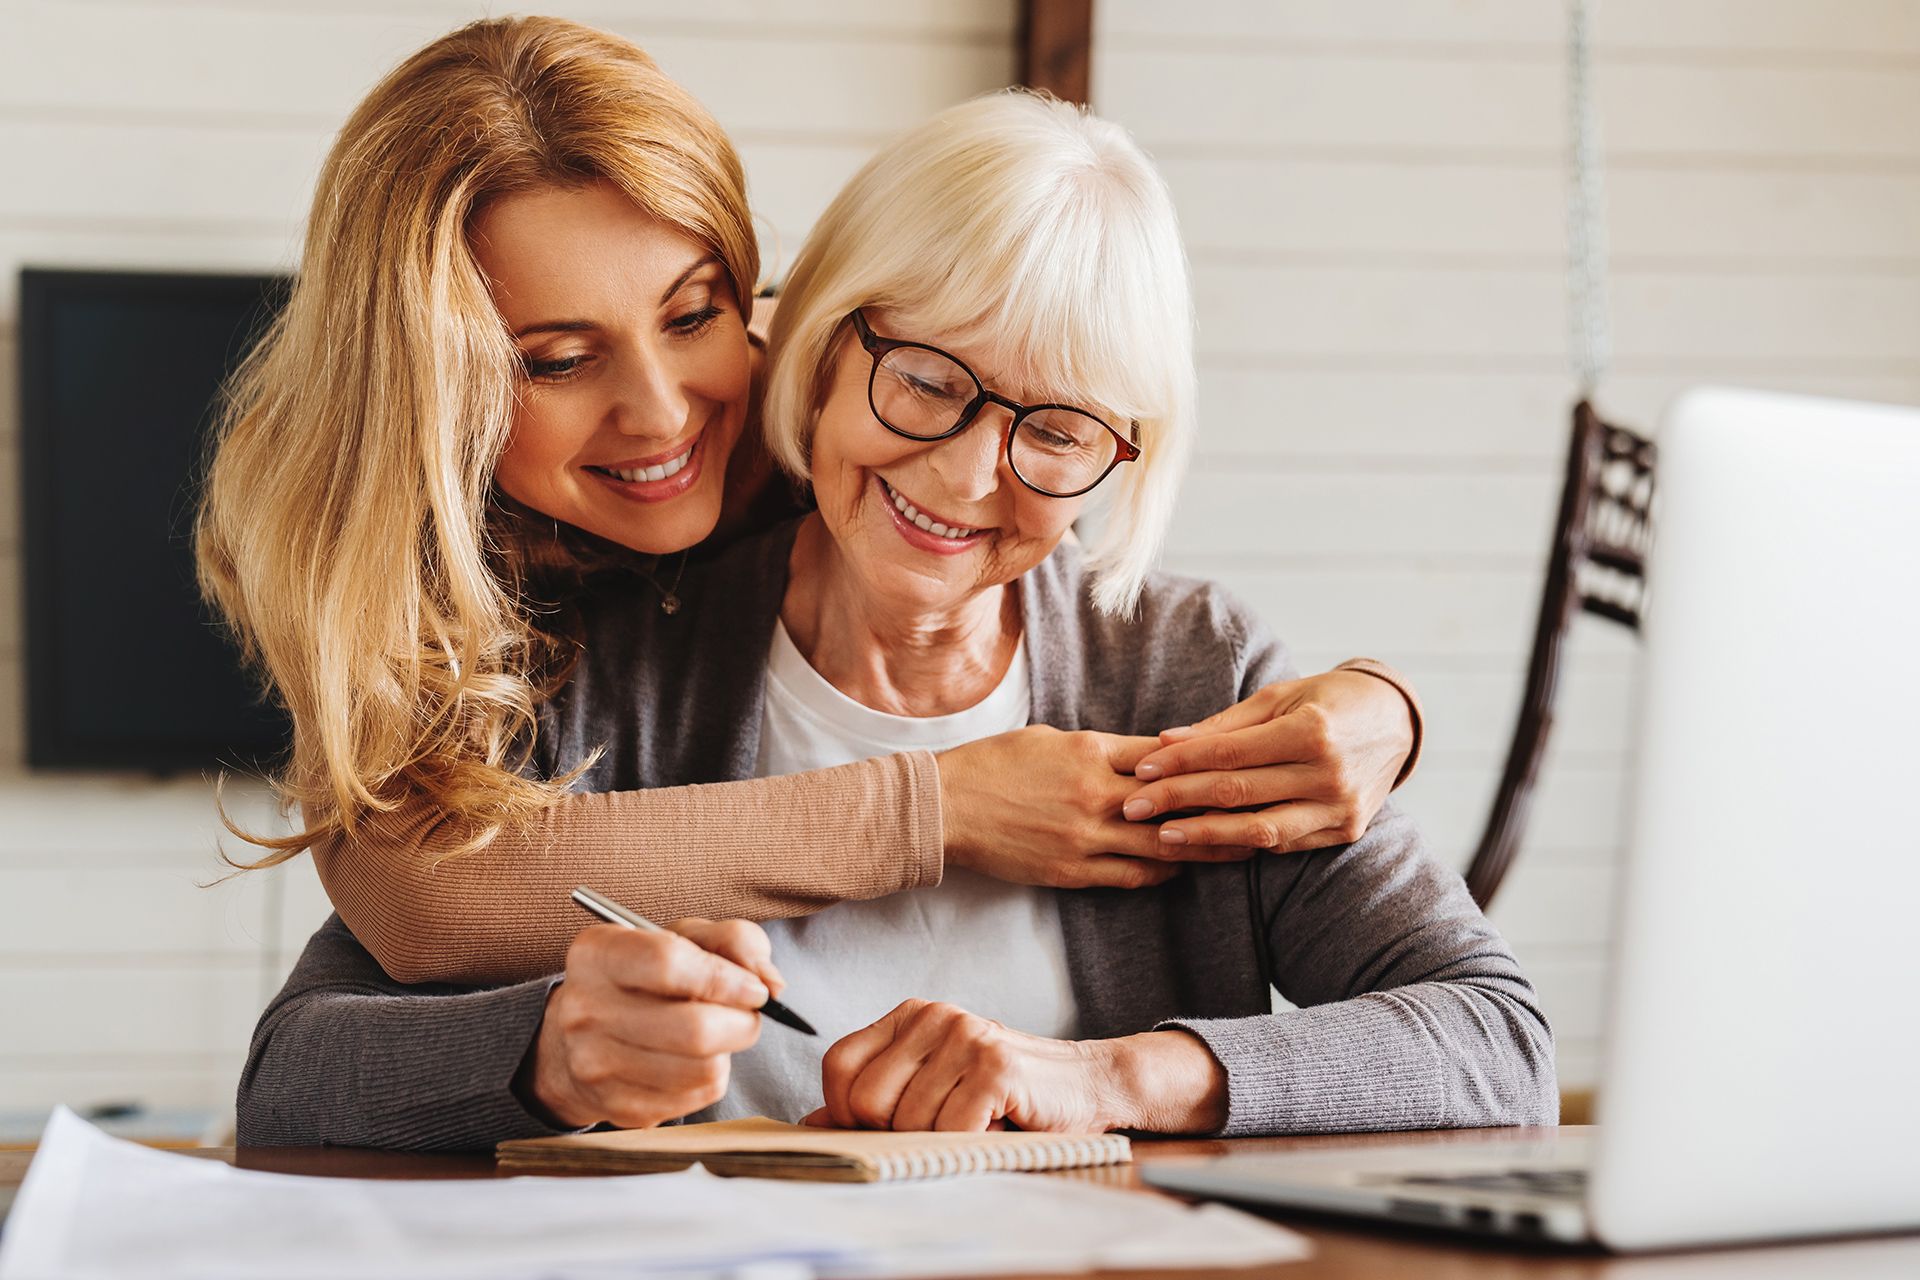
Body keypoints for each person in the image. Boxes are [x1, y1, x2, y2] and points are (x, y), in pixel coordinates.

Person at [234, 81, 1554, 1149]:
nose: (971, 474)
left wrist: (1108, 1079)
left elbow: (1500, 1046)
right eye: (928, 381)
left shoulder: (1179, 669)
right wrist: (542, 1055)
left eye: (1061, 426)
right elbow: (308, 1051)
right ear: (824, 341)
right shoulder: (600, 633)